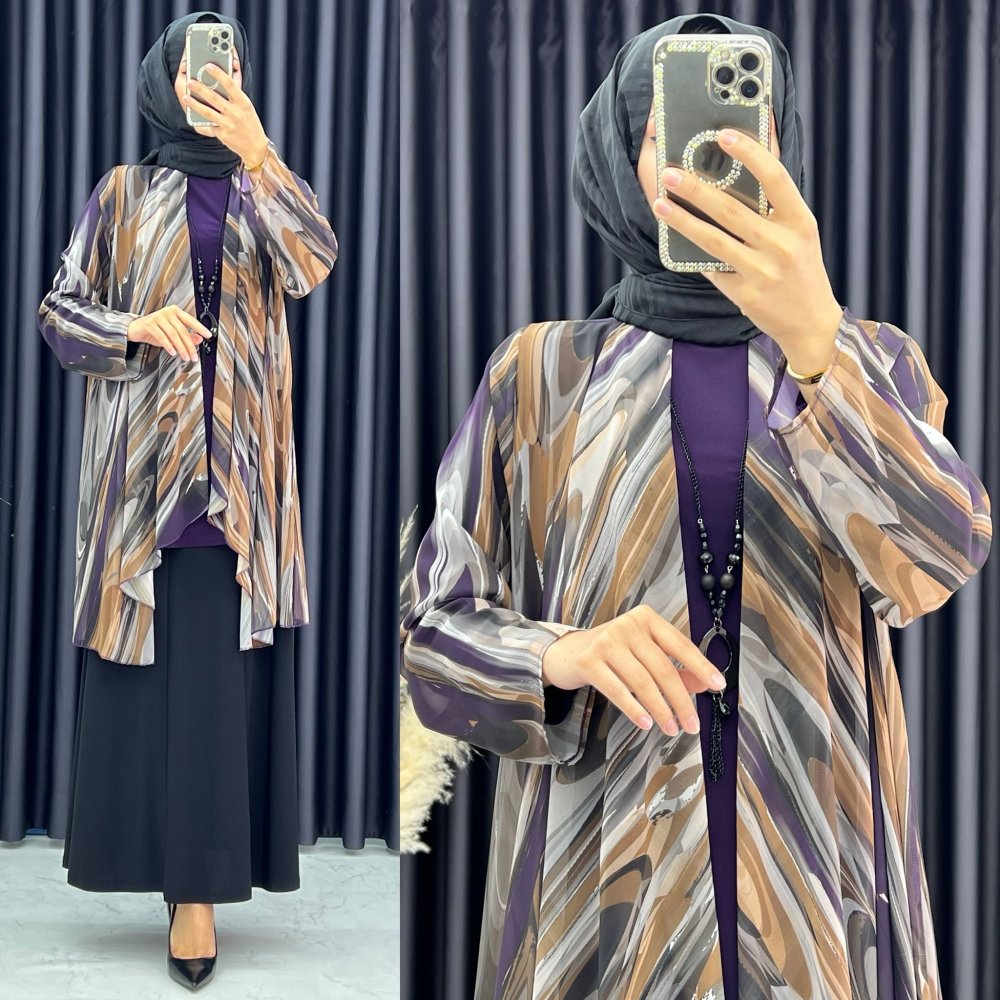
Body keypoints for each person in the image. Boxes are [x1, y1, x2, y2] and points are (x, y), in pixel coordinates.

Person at [399, 12, 991, 999]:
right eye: (666, 134)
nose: (711, 164)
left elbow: (934, 565)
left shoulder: (873, 362)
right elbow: (430, 640)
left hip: (818, 880)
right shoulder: (539, 375)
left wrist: (819, 346)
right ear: (615, 158)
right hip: (601, 881)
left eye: (744, 135)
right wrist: (562, 655)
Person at [36, 11, 337, 991]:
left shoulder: (261, 185)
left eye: (230, 62)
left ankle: (198, 893)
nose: (217, 75)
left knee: (214, 685)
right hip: (140, 478)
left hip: (238, 478)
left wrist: (260, 153)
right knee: (143, 683)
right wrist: (134, 326)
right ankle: (164, 873)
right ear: (163, 80)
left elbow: (313, 264)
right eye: (200, 64)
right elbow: (59, 312)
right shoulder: (123, 192)